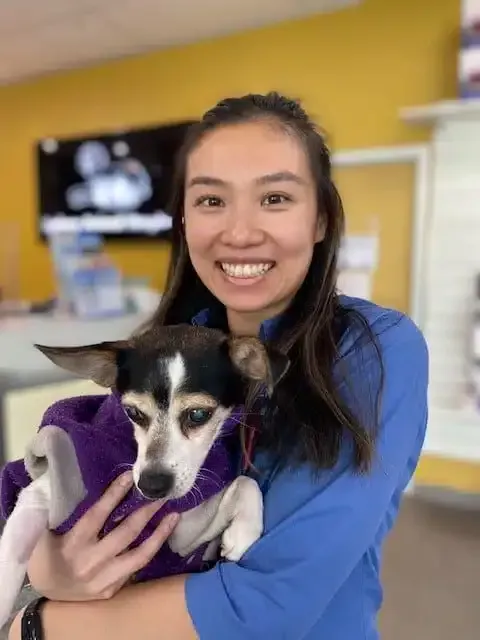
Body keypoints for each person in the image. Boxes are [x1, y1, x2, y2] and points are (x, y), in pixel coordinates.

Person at [9, 92, 428, 640]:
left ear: (322, 218)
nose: (239, 232)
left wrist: (38, 624)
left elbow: (269, 603)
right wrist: (48, 561)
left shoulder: (373, 350)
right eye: (211, 201)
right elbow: (82, 485)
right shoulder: (161, 353)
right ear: (183, 218)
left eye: (275, 197)